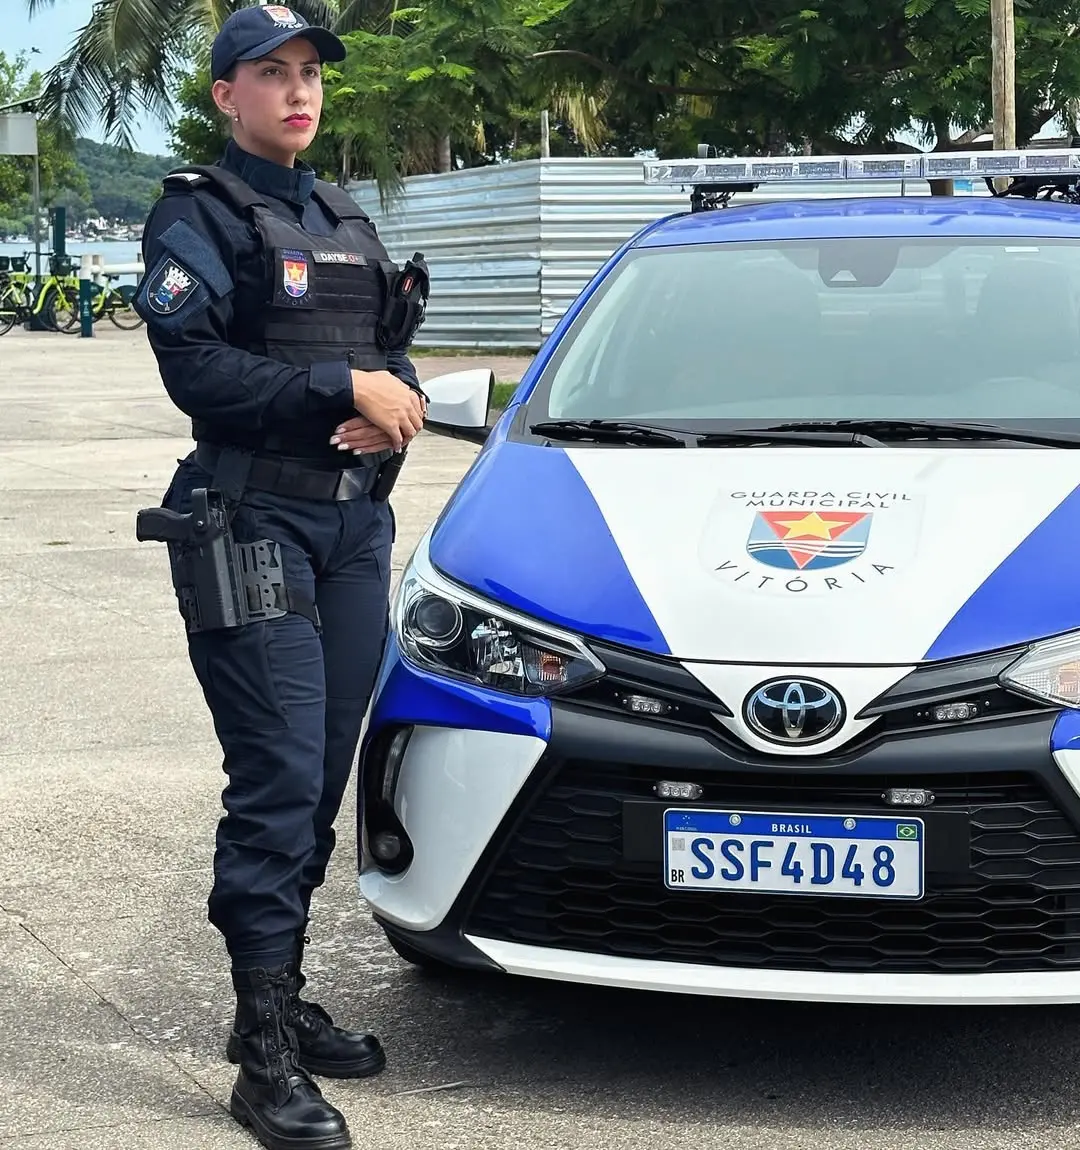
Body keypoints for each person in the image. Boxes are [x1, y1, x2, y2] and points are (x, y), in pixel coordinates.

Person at [132, 6, 429, 1149]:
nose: (298, 91)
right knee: (277, 774)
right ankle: (263, 1054)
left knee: (321, 777)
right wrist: (335, 391)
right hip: (248, 523)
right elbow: (196, 369)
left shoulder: (342, 216)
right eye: (272, 73)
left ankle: (283, 996)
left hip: (352, 530)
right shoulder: (197, 214)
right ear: (226, 94)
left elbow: (386, 349)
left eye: (310, 73)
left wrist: (394, 399)